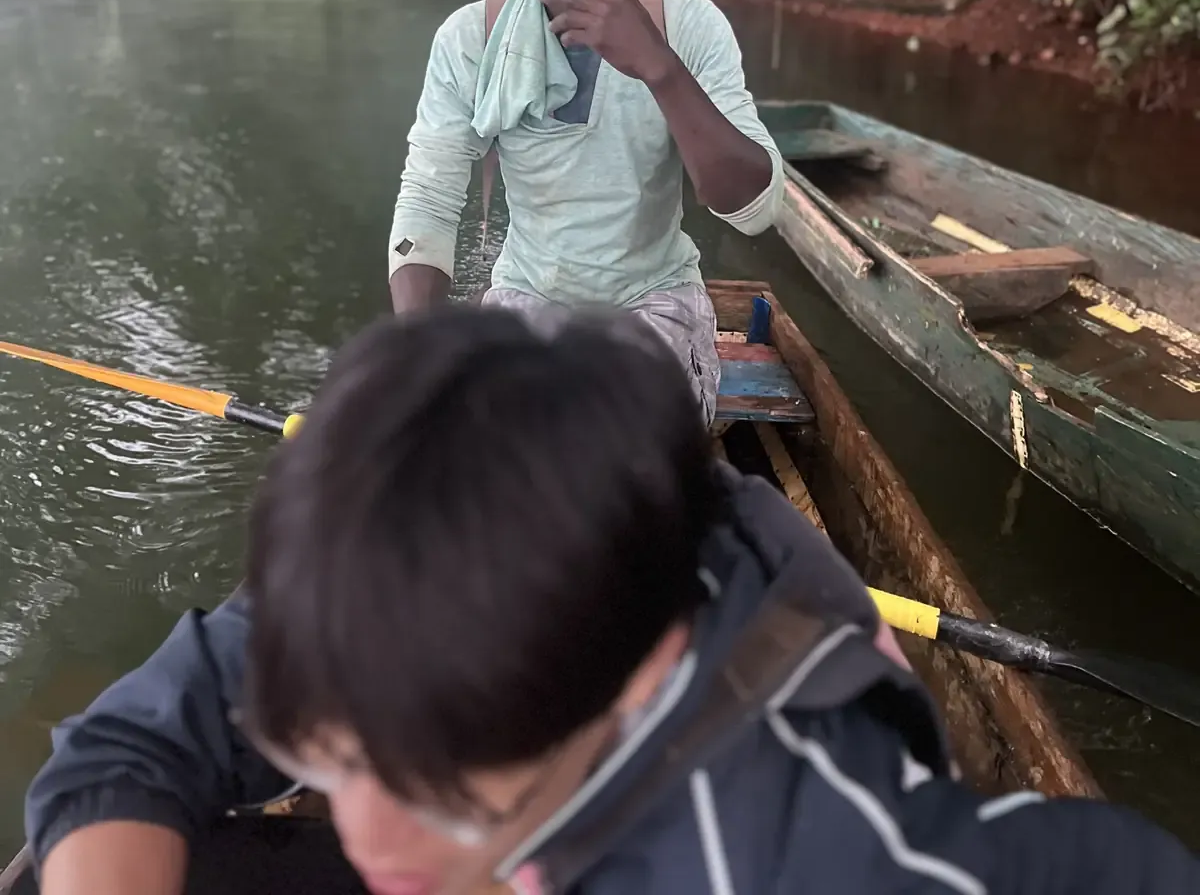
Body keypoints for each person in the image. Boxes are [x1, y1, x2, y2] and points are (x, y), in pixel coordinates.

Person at [26, 307, 1199, 895]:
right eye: (327, 755)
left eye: (423, 773)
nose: (364, 832)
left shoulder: (787, 844)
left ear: (634, 688)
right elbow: (125, 744)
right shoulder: (380, 594)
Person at [388, 0, 783, 422]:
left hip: (652, 301)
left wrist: (657, 66)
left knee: (618, 429)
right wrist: (418, 357)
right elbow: (431, 195)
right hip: (527, 299)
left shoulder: (689, 25)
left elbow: (754, 210)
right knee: (488, 437)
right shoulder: (473, 37)